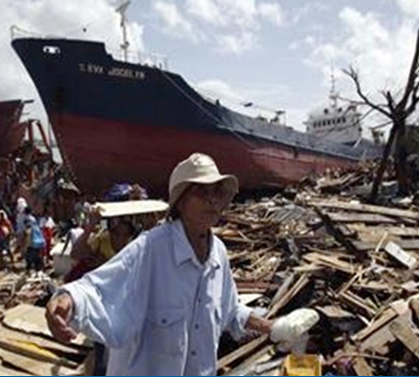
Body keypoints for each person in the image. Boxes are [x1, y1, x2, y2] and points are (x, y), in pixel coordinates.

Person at [45, 153, 277, 375]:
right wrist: (67, 300)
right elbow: (99, 288)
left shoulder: (218, 255)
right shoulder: (150, 249)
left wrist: (273, 327)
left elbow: (230, 311)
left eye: (217, 192)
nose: (212, 199)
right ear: (180, 201)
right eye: (201, 191)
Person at [24, 207, 45, 272]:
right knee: (37, 258)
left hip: (32, 245)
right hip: (38, 244)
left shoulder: (29, 229)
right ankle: (39, 269)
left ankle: (31, 269)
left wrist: (26, 246)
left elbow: (28, 239)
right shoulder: (36, 227)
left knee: (30, 258)